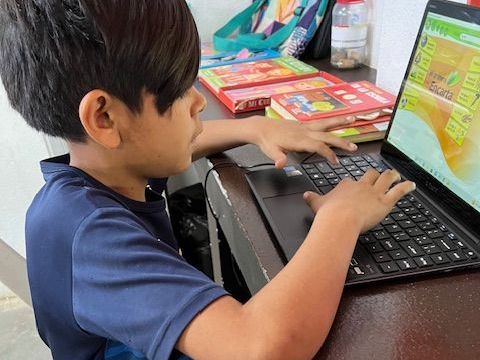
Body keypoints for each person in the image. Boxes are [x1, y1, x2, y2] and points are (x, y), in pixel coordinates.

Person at [0, 1, 415, 359]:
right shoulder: (93, 238)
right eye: (180, 91)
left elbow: (163, 144)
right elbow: (264, 347)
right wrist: (340, 218)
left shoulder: (99, 173)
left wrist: (254, 128)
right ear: (105, 117)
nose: (199, 101)